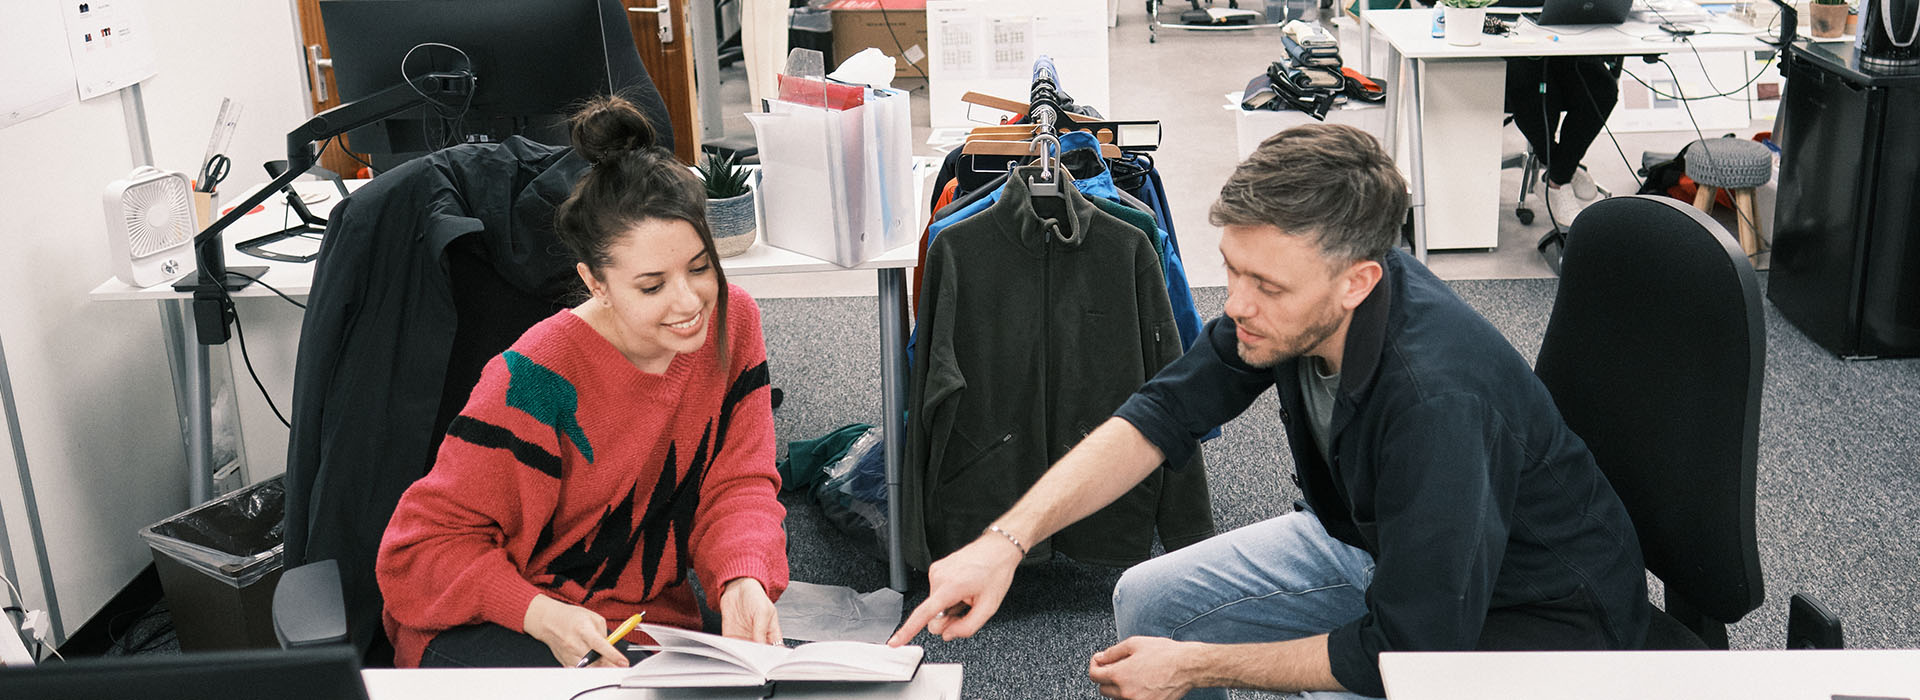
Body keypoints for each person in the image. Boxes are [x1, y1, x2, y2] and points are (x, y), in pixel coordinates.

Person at [888, 124, 1650, 699]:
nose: (1237, 306)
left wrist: (1196, 666)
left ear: (1357, 281)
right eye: (1232, 271)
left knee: (1198, 653)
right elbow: (1159, 414)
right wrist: (1008, 541)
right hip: (1390, 546)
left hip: (1532, 624)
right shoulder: (1297, 306)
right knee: (1150, 600)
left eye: (1266, 285)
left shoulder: (1436, 401)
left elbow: (1412, 650)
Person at [376, 95, 788, 669]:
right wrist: (539, 613)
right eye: (651, 285)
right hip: (504, 625)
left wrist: (743, 577)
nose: (689, 301)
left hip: (641, 627)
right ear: (595, 283)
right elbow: (417, 554)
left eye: (700, 267)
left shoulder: (732, 320)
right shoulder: (535, 378)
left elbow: (738, 482)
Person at [1505, 54, 1622, 228]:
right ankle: (1559, 178)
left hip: (1566, 47)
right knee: (1535, 91)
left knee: (1603, 88)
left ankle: (1558, 172)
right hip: (1519, 55)